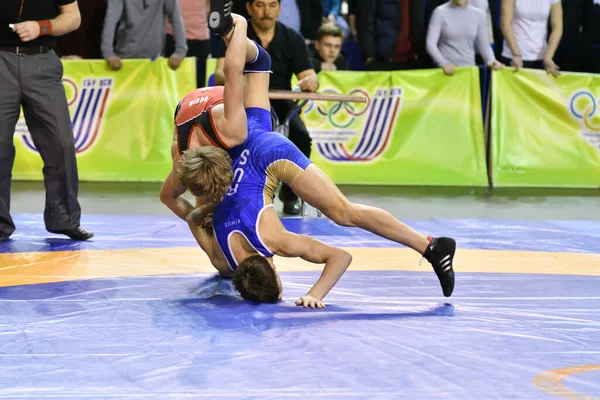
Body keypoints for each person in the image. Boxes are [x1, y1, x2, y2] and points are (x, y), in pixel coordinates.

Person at [181, 132, 456, 308]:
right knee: (255, 68)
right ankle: (241, 42)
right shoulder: (220, 259)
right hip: (235, 145)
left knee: (343, 213)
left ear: (273, 268)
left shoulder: (276, 241)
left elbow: (341, 257)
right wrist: (212, 209)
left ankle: (431, 246)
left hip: (266, 153)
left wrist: (315, 294)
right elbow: (192, 217)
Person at [159, 11, 271, 221]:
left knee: (260, 63)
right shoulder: (181, 164)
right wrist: (198, 221)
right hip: (192, 107)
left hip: (211, 108)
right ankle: (211, 215)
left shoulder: (233, 132)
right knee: (210, 204)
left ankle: (234, 27)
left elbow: (232, 72)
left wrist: (237, 28)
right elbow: (166, 197)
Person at [214, 0, 319, 215]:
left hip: (282, 104)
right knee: (244, 139)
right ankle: (248, 194)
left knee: (301, 137)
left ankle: (290, 196)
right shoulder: (233, 34)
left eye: (272, 5)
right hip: (245, 100)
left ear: (280, 8)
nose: (267, 11)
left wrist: (310, 81)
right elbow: (218, 75)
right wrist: (236, 73)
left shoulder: (292, 38)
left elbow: (309, 76)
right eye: (260, 5)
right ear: (250, 8)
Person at [0, 0, 93, 242]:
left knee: (60, 145)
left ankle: (64, 219)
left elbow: (73, 17)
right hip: (1, 60)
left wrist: (41, 27)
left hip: (42, 62)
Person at [101, 0, 187, 71]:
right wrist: (108, 53)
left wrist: (180, 51)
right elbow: (110, 21)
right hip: (124, 59)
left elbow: (176, 19)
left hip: (154, 59)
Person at [426, 0, 503, 75]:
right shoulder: (440, 12)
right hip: (445, 72)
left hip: (469, 71)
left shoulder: (478, 14)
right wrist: (443, 63)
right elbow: (430, 43)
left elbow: (484, 46)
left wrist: (491, 60)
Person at [500, 0, 563, 77]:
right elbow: (505, 24)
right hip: (514, 57)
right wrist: (516, 54)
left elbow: (557, 27)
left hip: (541, 58)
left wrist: (548, 57)